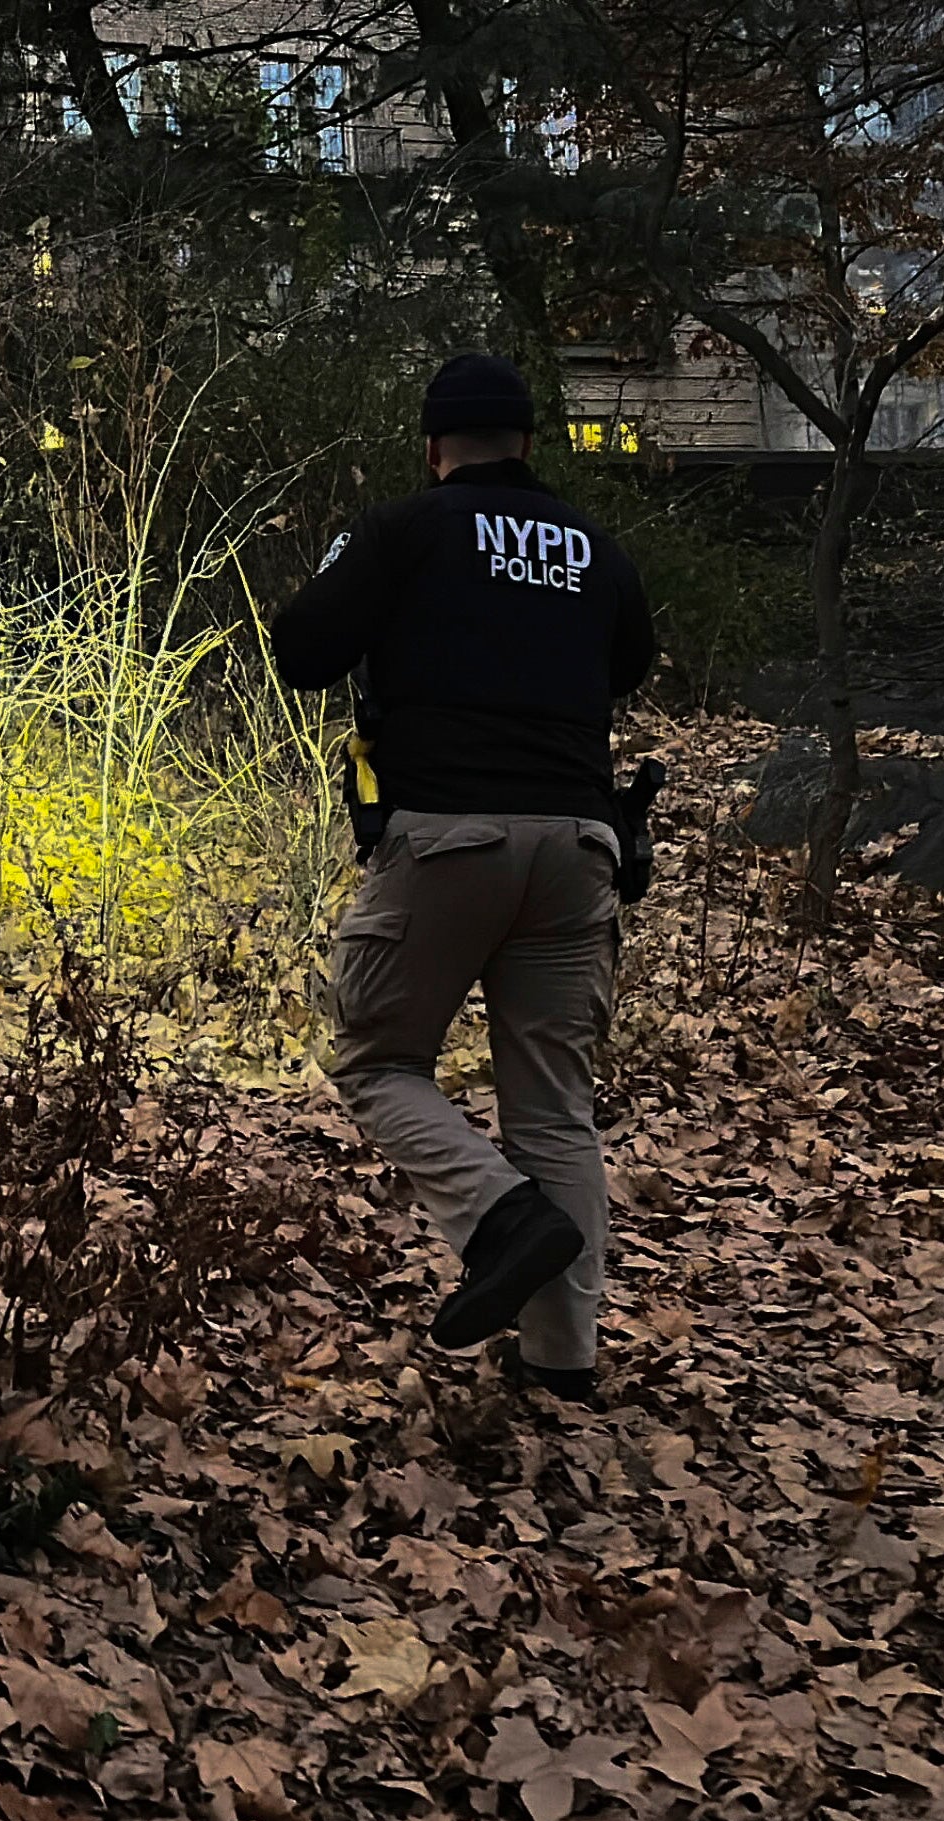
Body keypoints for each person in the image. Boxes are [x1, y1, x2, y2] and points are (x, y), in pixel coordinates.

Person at [270, 353, 655, 1405]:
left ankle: (500, 1218)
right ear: (528, 443)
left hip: (446, 841)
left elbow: (301, 650)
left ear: (433, 448)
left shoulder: (404, 530)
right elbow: (625, 665)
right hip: (581, 850)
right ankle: (561, 1366)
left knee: (380, 1061)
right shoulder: (595, 549)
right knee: (554, 1111)